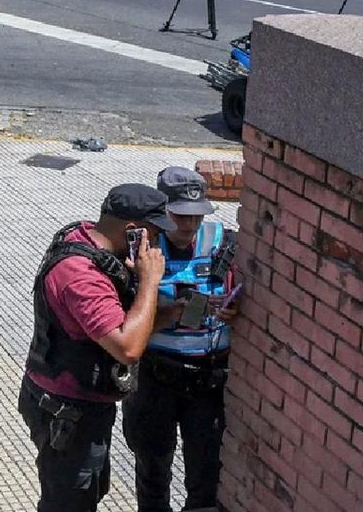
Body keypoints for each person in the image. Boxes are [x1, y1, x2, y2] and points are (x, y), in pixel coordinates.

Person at [20, 184, 173, 512]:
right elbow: (128, 348)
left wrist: (170, 315)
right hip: (67, 412)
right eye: (155, 234)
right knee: (68, 502)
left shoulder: (89, 239)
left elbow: (115, 326)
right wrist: (149, 281)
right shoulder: (81, 276)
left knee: (90, 489)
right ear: (133, 232)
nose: (159, 244)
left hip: (80, 405)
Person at [122, 167, 239, 512]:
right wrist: (170, 313)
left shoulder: (226, 243)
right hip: (155, 380)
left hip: (207, 382)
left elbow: (244, 292)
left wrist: (234, 309)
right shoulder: (138, 251)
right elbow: (122, 322)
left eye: (197, 216)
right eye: (179, 216)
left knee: (205, 478)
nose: (189, 226)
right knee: (152, 473)